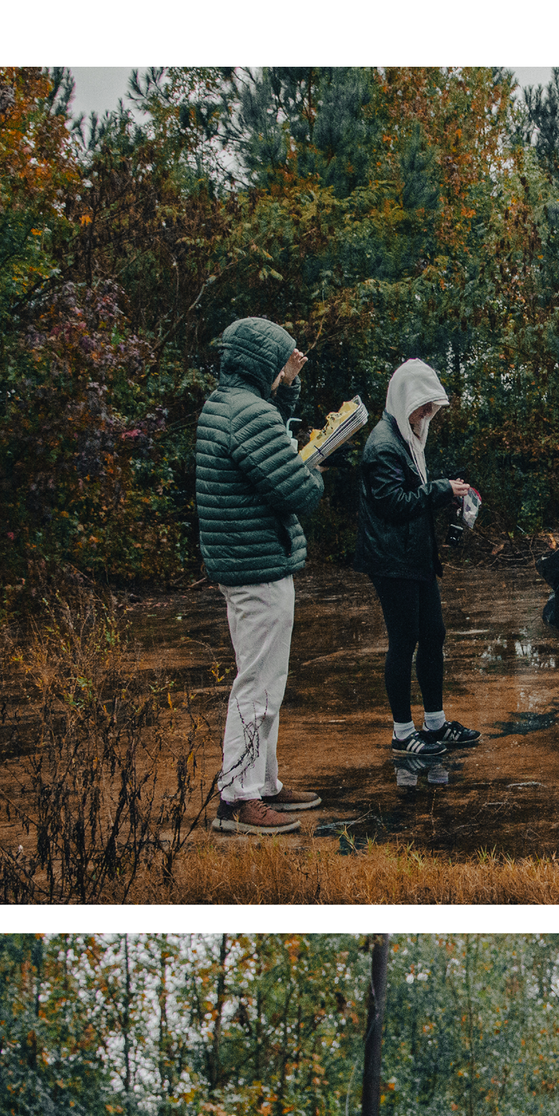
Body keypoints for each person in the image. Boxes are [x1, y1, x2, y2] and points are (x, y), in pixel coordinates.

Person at [193, 319, 327, 835]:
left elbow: (266, 443)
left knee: (267, 679)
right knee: (257, 684)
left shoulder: (226, 404)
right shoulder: (249, 415)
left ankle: (263, 783)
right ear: (259, 361)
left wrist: (286, 388)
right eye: (280, 360)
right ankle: (238, 798)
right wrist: (313, 467)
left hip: (242, 562)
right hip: (258, 567)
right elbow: (297, 490)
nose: (283, 367)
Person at [352, 358, 481, 756]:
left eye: (431, 408)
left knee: (433, 634)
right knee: (403, 640)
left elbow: (411, 496)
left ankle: (435, 723)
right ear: (405, 398)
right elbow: (393, 504)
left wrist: (447, 493)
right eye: (423, 406)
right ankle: (402, 732)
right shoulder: (383, 445)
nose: (427, 414)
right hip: (392, 560)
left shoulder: (407, 439)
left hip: (415, 556)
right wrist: (442, 490)